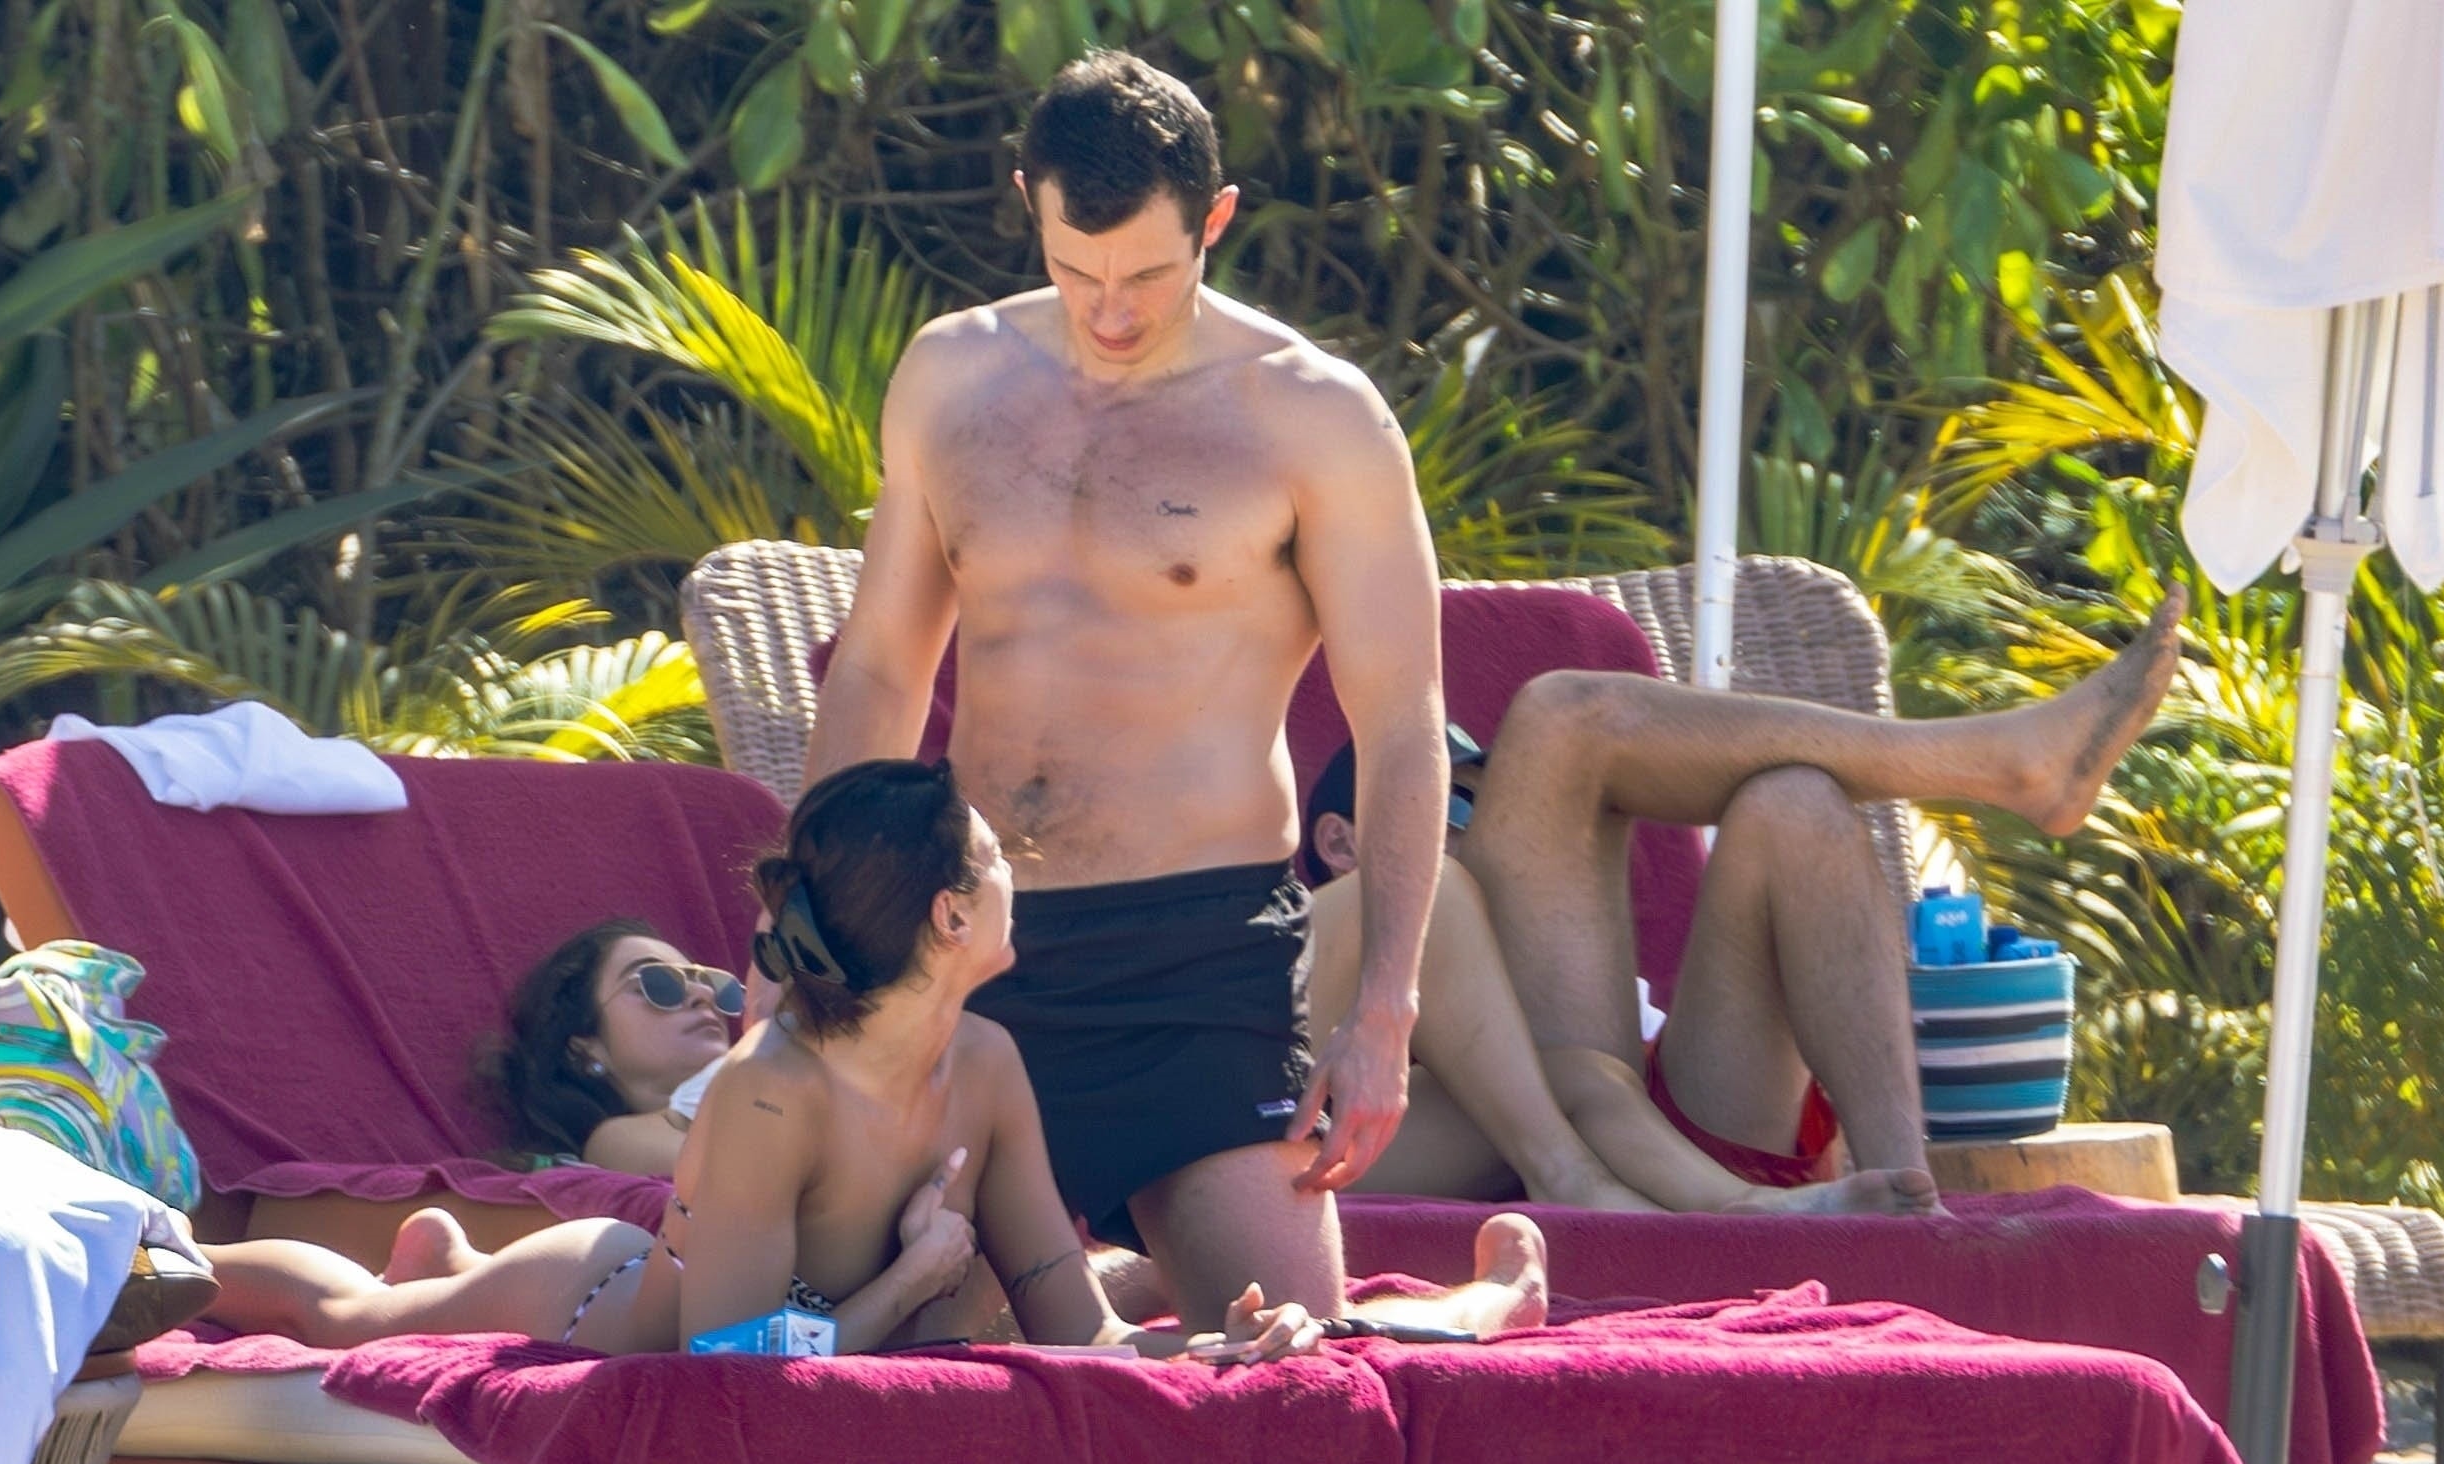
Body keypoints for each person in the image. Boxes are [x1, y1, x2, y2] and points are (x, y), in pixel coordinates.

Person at [803, 51, 1447, 1331]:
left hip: (1196, 961)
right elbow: (880, 668)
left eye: (1148, 275)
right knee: (909, 1343)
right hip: (969, 940)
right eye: (1075, 270)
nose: (1109, 312)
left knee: (1282, 1356)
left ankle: (1159, 1282)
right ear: (1027, 203)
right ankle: (1090, 1284)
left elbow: (1402, 723)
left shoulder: (1314, 415)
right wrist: (802, 928)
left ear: (1216, 219)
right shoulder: (952, 376)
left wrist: (1385, 1006)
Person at [198, 761, 1551, 1357]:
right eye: (997, 857)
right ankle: (169, 1261)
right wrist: (909, 1275)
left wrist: (1198, 1349)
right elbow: (726, 1353)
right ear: (952, 917)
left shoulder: (987, 1061)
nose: (1022, 871)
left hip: (866, 1312)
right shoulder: (765, 1091)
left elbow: (1067, 1320)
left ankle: (435, 1256)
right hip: (599, 1299)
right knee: (354, 1320)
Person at [1450, 587, 2188, 1199]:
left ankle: (1905, 1198)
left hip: (1665, 1098)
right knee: (1559, 719)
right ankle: (1998, 763)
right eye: (1461, 798)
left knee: (1794, 803)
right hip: (1514, 1120)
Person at [1298, 737, 1934, 1213]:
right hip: (1313, 1140)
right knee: (1431, 885)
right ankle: (1578, 1180)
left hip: (1598, 1121)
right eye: (1458, 806)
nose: (1490, 836)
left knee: (1588, 1075)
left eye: (1495, 813)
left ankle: (1745, 1207)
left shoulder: (1494, 953)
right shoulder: (1313, 937)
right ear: (1341, 843)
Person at [490, 919, 743, 1178]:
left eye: (713, 985)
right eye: (660, 984)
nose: (704, 994)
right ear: (586, 1047)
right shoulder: (614, 1144)